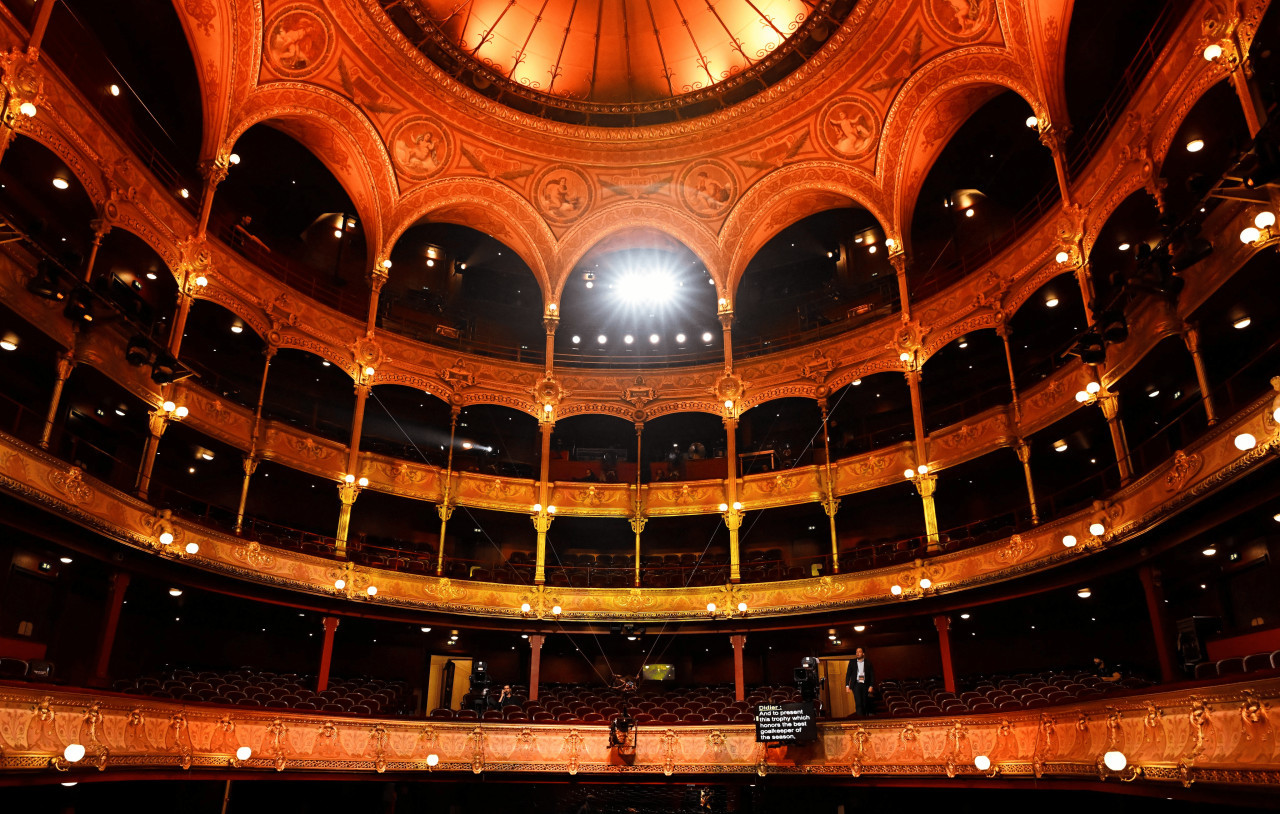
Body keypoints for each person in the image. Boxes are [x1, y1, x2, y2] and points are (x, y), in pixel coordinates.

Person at [844, 646, 876, 717]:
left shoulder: (868, 663)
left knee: (864, 703)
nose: (857, 653)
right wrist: (847, 685)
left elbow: (872, 675)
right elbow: (848, 674)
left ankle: (864, 718)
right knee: (858, 703)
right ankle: (860, 720)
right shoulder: (852, 662)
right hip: (856, 685)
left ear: (863, 653)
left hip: (865, 685)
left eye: (859, 652)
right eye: (856, 652)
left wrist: (871, 685)